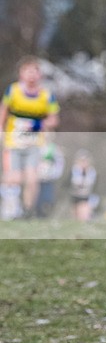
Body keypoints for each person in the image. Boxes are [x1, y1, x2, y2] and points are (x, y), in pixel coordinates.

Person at [0, 56, 60, 220]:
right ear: (21, 73)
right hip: (14, 142)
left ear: (39, 75)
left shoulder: (47, 95)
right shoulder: (13, 91)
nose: (31, 75)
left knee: (32, 179)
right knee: (13, 178)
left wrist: (39, 124)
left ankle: (27, 211)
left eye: (35, 71)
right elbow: (3, 111)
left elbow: (54, 119)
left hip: (35, 143)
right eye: (28, 71)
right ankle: (11, 209)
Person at [36, 136, 65, 218]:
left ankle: (45, 214)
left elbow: (59, 162)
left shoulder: (54, 149)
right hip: (37, 178)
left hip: (49, 178)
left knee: (47, 199)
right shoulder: (36, 147)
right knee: (37, 198)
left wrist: (55, 174)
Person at [70, 149, 97, 221]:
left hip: (86, 196)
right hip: (75, 195)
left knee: (83, 214)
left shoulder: (91, 171)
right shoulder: (75, 170)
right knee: (75, 215)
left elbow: (90, 184)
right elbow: (74, 182)